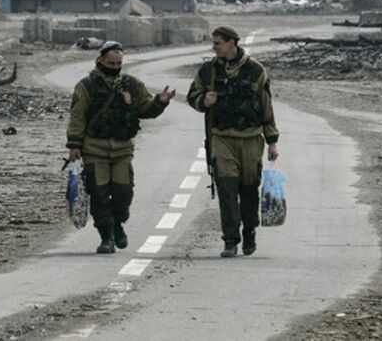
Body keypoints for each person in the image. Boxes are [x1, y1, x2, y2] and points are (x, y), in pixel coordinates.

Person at [66, 41, 176, 254]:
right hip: (94, 148)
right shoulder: (86, 86)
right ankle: (106, 236)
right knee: (98, 193)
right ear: (101, 61)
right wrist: (74, 144)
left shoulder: (132, 85)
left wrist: (160, 102)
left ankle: (118, 223)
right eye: (111, 62)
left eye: (119, 63)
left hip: (122, 149)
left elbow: (146, 109)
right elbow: (77, 116)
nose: (115, 66)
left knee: (123, 191)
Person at [187, 26, 279, 258]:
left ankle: (249, 231)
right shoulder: (208, 71)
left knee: (249, 189)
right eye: (214, 43)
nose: (214, 47)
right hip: (221, 137)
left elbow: (266, 106)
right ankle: (230, 239)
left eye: (218, 43)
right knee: (226, 187)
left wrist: (272, 141)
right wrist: (203, 101)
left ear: (232, 43)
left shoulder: (255, 71)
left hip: (249, 139)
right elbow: (192, 96)